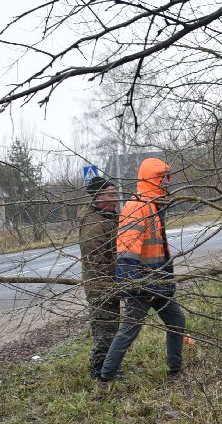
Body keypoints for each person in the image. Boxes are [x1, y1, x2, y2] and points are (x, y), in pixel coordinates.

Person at [97, 157, 186, 383]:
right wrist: (131, 284)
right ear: (152, 179)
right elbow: (127, 249)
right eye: (163, 178)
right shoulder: (138, 206)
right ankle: (106, 376)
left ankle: (175, 369)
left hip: (158, 282)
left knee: (176, 321)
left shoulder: (154, 205)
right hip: (143, 285)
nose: (167, 182)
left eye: (167, 177)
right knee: (129, 330)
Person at [78, 174, 121, 381]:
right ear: (97, 198)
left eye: (116, 194)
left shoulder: (108, 218)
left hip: (110, 284)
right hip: (101, 287)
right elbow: (96, 261)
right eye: (111, 195)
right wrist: (110, 286)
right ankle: (100, 373)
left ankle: (108, 370)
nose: (116, 199)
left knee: (111, 329)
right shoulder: (94, 224)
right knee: (106, 331)